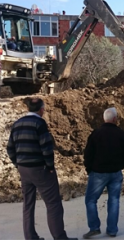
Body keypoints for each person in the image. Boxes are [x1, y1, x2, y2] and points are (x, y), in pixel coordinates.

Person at [6, 98, 78, 240]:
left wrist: (17, 164)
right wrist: (50, 166)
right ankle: (59, 237)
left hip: (23, 169)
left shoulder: (17, 124)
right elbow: (46, 147)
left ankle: (30, 236)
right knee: (53, 204)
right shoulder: (39, 124)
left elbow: (10, 149)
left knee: (28, 204)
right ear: (41, 109)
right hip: (40, 169)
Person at [83, 107, 124, 239]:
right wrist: (121, 166)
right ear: (115, 119)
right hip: (116, 173)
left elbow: (88, 154)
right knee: (114, 201)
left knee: (90, 200)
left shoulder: (96, 134)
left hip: (98, 173)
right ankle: (112, 230)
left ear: (104, 119)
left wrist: (89, 169)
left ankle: (94, 228)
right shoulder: (121, 134)